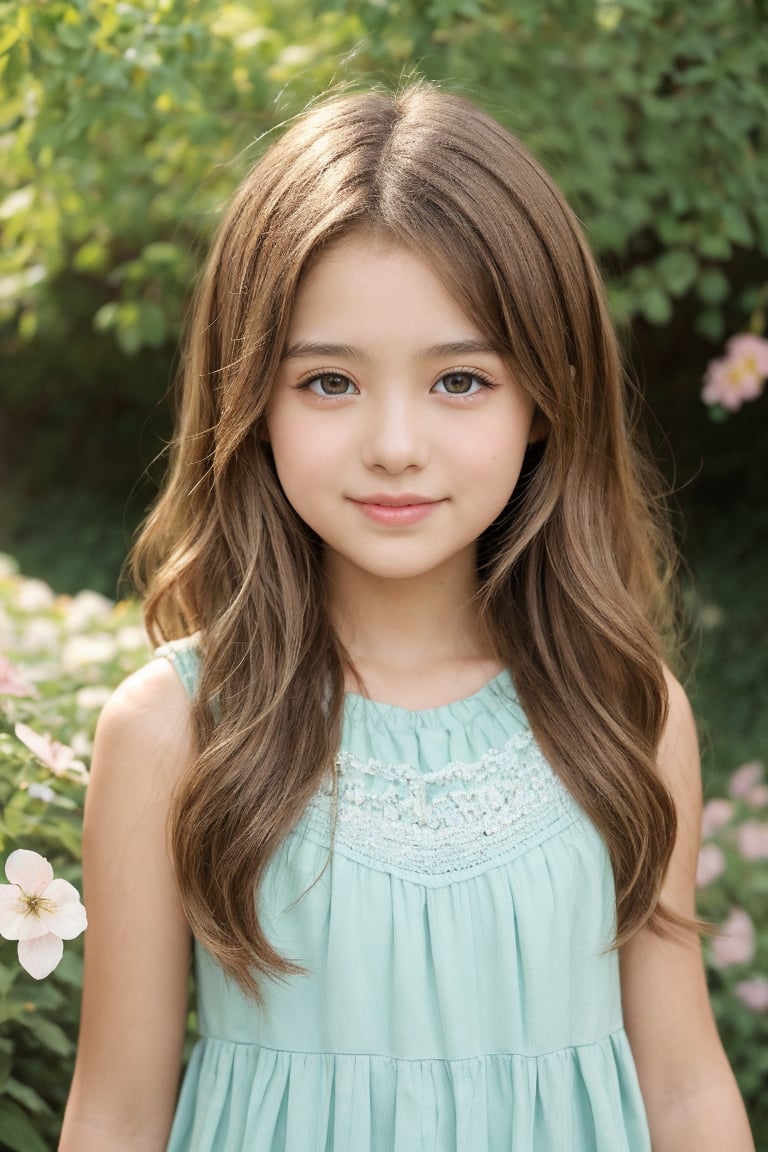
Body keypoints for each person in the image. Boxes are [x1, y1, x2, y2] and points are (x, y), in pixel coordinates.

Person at [59, 83, 754, 1152]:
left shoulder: (626, 711)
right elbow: (114, 1114)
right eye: (330, 382)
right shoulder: (172, 731)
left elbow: (687, 1086)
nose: (394, 442)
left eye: (461, 381)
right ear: (248, 399)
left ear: (546, 400)